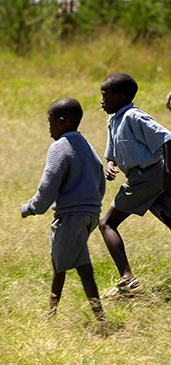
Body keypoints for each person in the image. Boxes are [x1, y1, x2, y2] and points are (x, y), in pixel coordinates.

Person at [21, 98, 106, 322]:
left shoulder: (59, 147)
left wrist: (31, 208)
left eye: (50, 122)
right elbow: (100, 176)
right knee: (82, 265)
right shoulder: (87, 145)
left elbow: (49, 184)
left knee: (59, 264)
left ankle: (51, 313)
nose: (49, 127)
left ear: (62, 121)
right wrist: (93, 205)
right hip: (90, 214)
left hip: (70, 216)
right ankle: (99, 316)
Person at [98, 72, 171, 297]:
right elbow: (112, 153)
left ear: (119, 98)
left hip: (148, 177)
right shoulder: (114, 120)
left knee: (106, 224)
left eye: (104, 96)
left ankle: (128, 281)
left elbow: (167, 138)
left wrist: (168, 172)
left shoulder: (133, 116)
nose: (101, 101)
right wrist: (110, 164)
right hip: (145, 179)